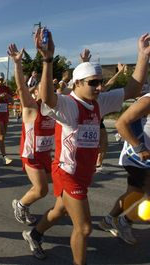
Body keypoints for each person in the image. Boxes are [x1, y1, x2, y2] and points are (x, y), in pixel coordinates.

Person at [22, 29, 149, 265]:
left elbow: (132, 90)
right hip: (67, 172)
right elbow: (48, 97)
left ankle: (35, 233)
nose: (99, 87)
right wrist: (47, 60)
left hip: (84, 174)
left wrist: (143, 56)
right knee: (84, 228)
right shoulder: (68, 104)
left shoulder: (99, 101)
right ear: (77, 84)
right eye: (93, 83)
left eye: (100, 83)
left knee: (60, 210)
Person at [7, 43, 55, 225]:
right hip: (31, 156)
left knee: (56, 180)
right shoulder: (31, 107)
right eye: (44, 86)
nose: (49, 88)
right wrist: (17, 64)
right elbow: (20, 89)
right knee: (41, 190)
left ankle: (24, 203)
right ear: (35, 91)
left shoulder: (53, 108)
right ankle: (20, 204)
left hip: (46, 155)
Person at [98, 91, 150, 245]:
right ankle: (124, 222)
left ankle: (109, 220)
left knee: (134, 192)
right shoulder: (148, 100)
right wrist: (140, 147)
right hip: (138, 158)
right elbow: (120, 123)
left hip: (144, 159)